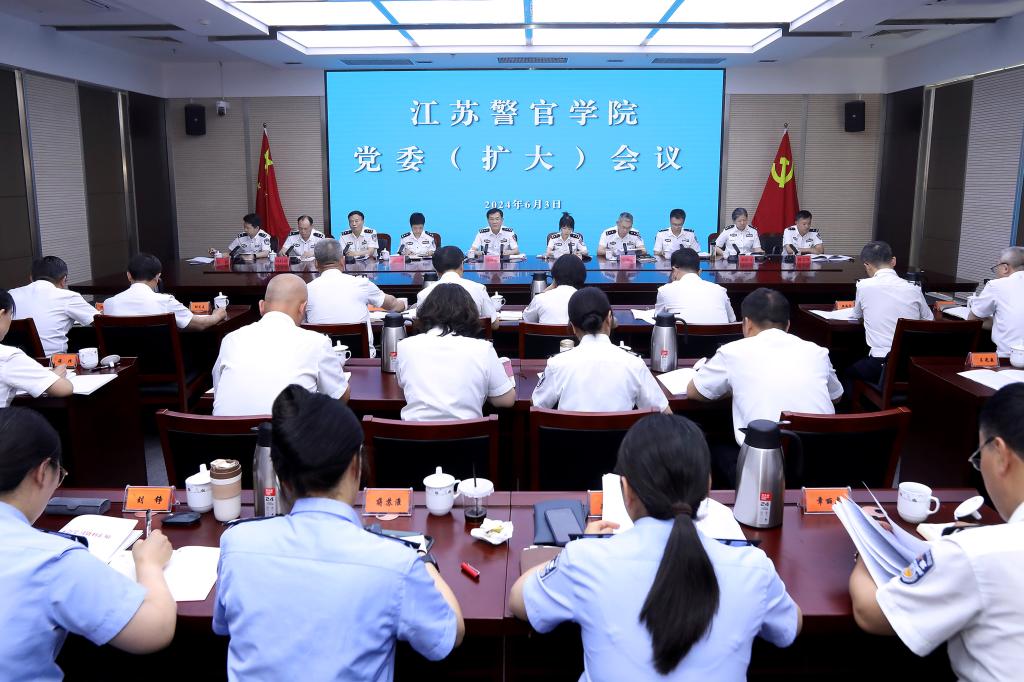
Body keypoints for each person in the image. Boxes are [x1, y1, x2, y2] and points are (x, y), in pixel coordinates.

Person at [510, 414, 801, 680]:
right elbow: (790, 626)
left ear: (626, 490)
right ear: (707, 486)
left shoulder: (585, 559)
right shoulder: (753, 567)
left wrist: (581, 547)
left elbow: (519, 600)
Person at [213, 385, 464, 679]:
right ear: (356, 465)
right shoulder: (396, 564)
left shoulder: (236, 544)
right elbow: (449, 636)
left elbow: (223, 626)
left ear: (282, 479)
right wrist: (422, 559)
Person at [849, 383, 1024, 682]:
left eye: (980, 457)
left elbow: (870, 613)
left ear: (1001, 454)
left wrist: (869, 544)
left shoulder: (975, 554)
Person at [0, 407, 177, 680]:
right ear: (42, 472)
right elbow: (155, 630)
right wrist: (149, 564)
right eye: (60, 475)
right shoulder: (51, 559)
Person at [686, 288, 842, 483]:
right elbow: (837, 396)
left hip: (763, 472)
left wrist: (734, 386)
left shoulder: (733, 352)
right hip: (824, 465)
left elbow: (695, 392)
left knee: (714, 447)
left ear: (747, 323)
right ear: (788, 325)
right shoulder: (818, 352)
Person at [212, 273, 349, 415]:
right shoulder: (317, 343)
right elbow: (340, 396)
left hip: (224, 429)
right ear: (303, 308)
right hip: (289, 429)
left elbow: (218, 391)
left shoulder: (230, 340)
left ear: (261, 306)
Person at [532, 287, 670, 413]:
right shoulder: (634, 364)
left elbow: (536, 405)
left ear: (573, 327)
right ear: (609, 319)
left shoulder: (557, 365)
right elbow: (665, 413)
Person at [397, 283, 515, 421]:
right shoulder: (483, 349)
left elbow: (404, 385)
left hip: (413, 434)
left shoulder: (405, 347)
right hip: (468, 434)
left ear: (425, 312)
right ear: (470, 314)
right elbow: (506, 401)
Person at [846, 240, 932, 393]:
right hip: (912, 364)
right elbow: (929, 321)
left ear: (867, 265)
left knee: (847, 372)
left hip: (880, 365)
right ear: (893, 261)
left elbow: (856, 316)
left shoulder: (863, 286)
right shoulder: (913, 288)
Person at [305, 239, 406, 353]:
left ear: (316, 264)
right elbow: (393, 305)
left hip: (321, 360)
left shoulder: (306, 290)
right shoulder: (361, 284)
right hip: (362, 359)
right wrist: (404, 305)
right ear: (342, 261)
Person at [102, 253, 227, 330]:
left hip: (125, 365)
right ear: (158, 277)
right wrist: (218, 315)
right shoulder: (165, 301)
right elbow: (200, 325)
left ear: (128, 275)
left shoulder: (110, 303)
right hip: (163, 364)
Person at [9, 256, 99, 356]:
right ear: (64, 280)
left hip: (13, 360)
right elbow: (99, 321)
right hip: (52, 361)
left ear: (31, 278)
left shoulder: (11, 295)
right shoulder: (68, 296)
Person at [0, 288, 72, 407]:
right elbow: (65, 389)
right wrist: (53, 376)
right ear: (1, 314)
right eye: (11, 314)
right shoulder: (8, 357)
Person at [415, 246, 498, 327]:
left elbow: (421, 325)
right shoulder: (478, 289)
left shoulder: (423, 294)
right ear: (462, 264)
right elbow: (493, 324)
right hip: (470, 336)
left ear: (436, 270)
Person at [968, 246, 1024, 357]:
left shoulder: (996, 285)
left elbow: (973, 319)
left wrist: (1000, 322)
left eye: (996, 267)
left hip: (1008, 359)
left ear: (1005, 268)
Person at [655, 248, 736, 323]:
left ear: (674, 270)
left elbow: (658, 319)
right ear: (700, 272)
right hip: (720, 334)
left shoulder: (664, 290)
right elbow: (732, 320)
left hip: (681, 334)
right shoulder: (720, 290)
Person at [523, 254, 586, 325]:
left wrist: (550, 287)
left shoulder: (540, 299)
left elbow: (527, 320)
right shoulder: (586, 301)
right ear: (582, 276)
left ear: (554, 276)